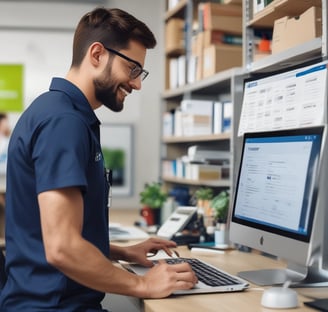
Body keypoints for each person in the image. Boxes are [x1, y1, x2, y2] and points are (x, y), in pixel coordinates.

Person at [0, 7, 197, 311]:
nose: (137, 84)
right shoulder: (63, 122)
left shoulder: (60, 112)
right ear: (97, 55)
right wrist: (143, 284)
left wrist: (123, 252)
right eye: (133, 69)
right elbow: (62, 248)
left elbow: (52, 234)